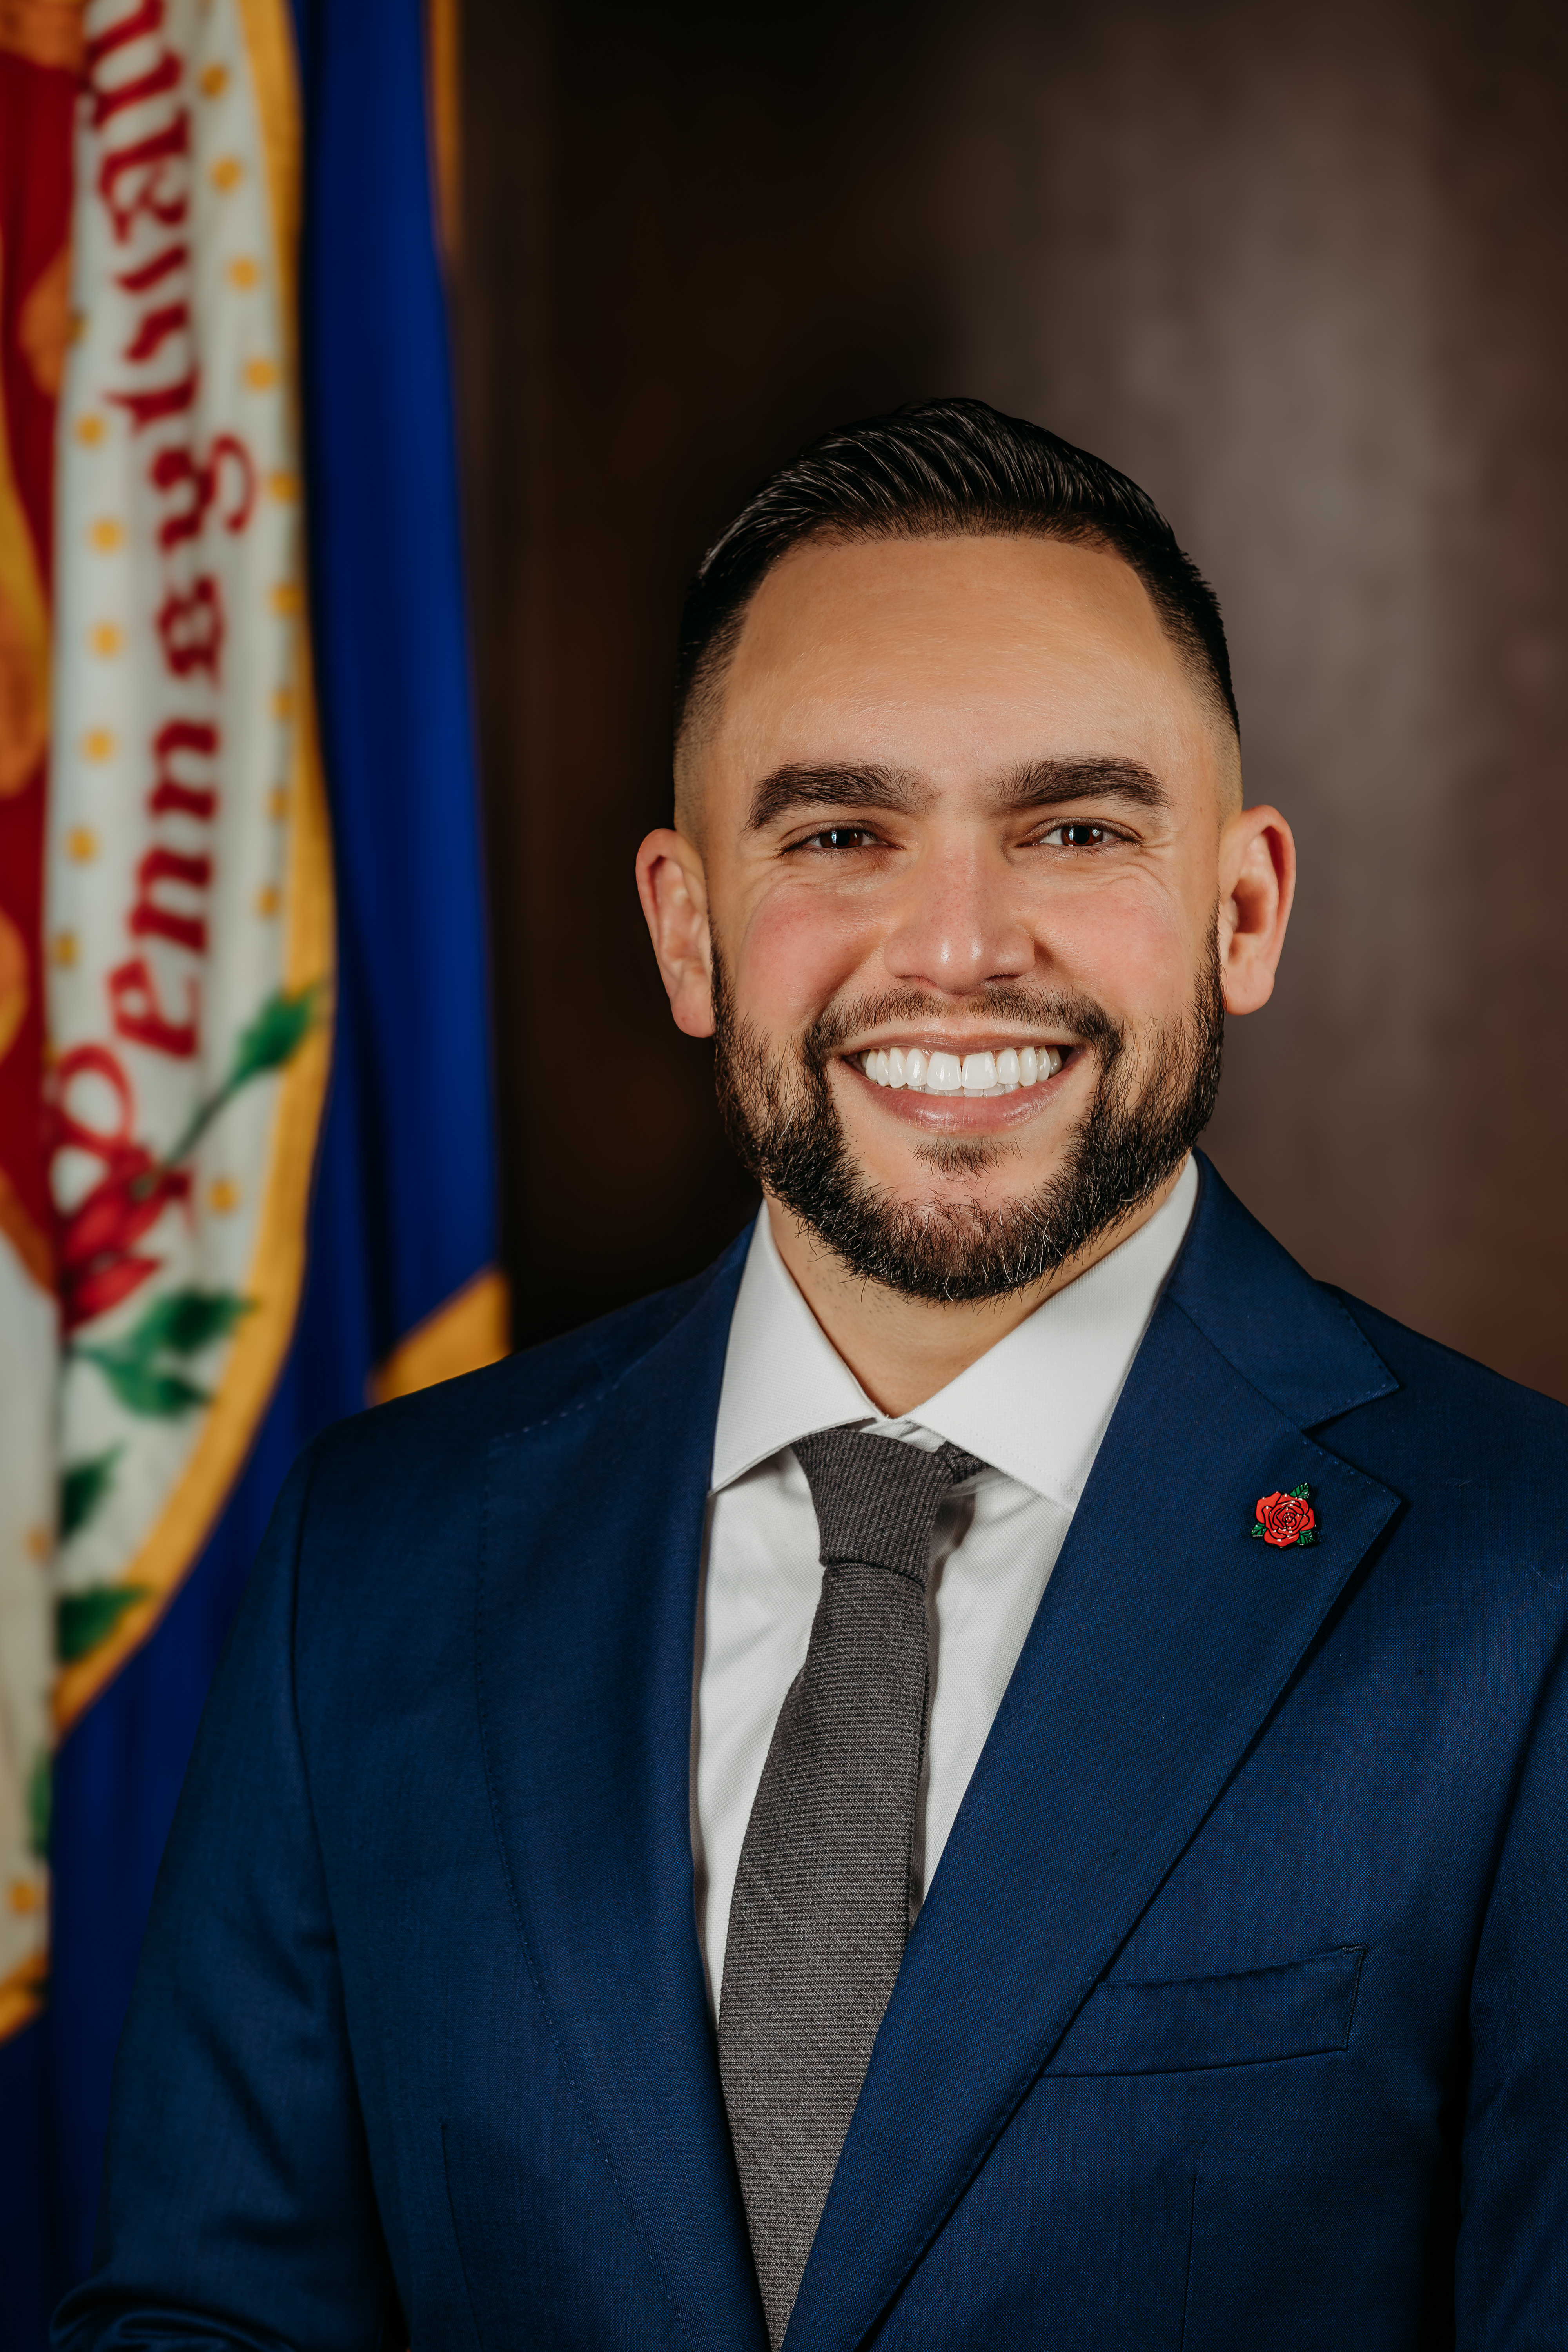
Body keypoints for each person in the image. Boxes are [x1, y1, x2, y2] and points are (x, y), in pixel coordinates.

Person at [56, 401, 1568, 2352]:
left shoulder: (1521, 1588)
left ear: (1244, 907)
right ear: (689, 932)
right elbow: (209, 2322)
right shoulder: (379, 1552)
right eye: (840, 834)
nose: (952, 947)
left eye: (1076, 827)